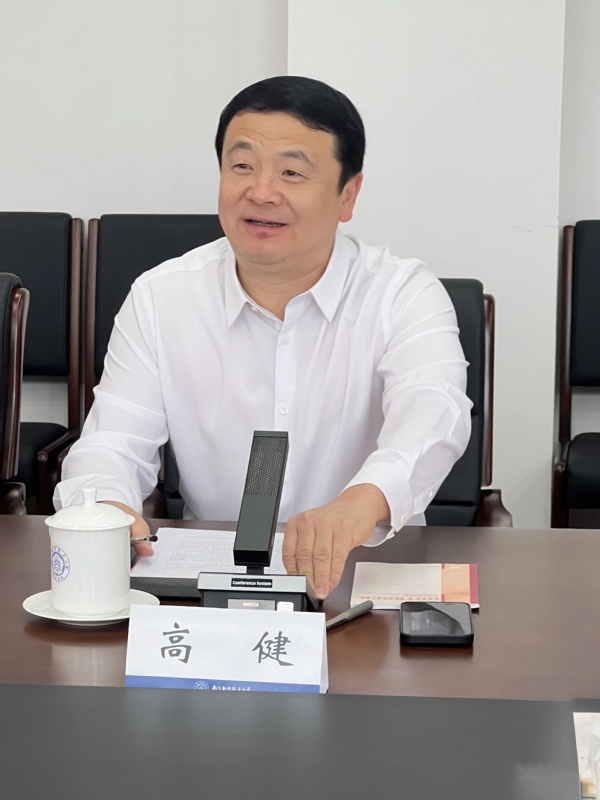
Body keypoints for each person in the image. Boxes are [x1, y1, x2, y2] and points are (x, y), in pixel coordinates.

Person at [56, 76, 471, 599]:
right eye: (242, 166)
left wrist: (358, 504)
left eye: (292, 172)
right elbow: (113, 441)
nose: (261, 192)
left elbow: (433, 412)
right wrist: (106, 507)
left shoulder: (402, 293)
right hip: (213, 591)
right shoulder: (161, 297)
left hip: (368, 580)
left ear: (347, 195)